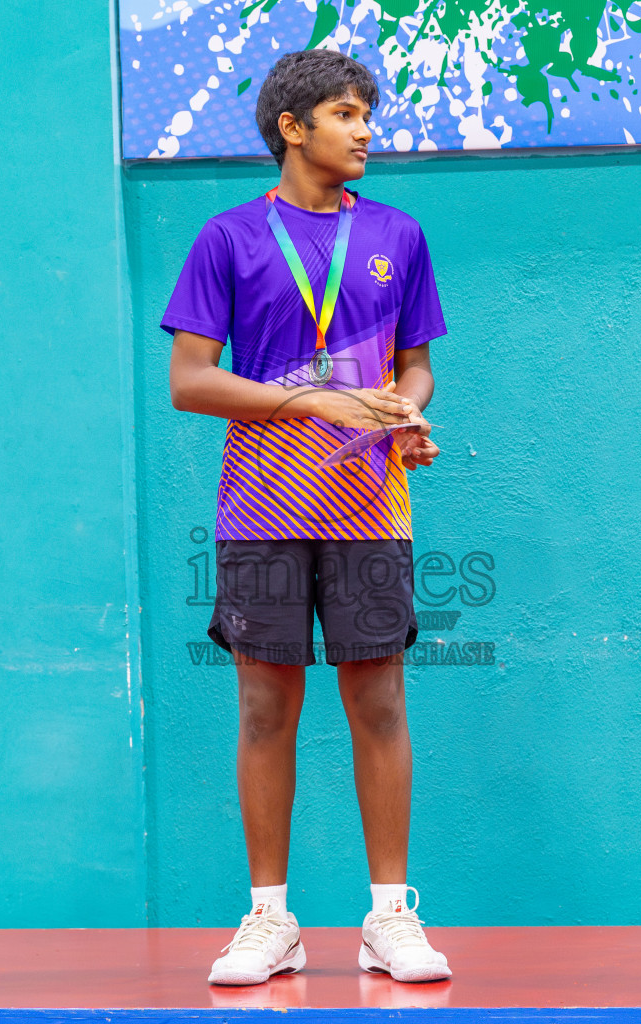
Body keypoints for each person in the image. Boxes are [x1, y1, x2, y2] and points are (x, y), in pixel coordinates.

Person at [161, 48, 451, 985]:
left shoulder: (399, 236)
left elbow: (416, 365)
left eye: (368, 112)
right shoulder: (230, 237)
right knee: (262, 706)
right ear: (293, 128)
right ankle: (270, 919)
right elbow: (191, 381)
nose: (367, 129)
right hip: (262, 508)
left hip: (372, 508)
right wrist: (318, 404)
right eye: (346, 113)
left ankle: (390, 918)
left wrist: (404, 412)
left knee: (378, 699)